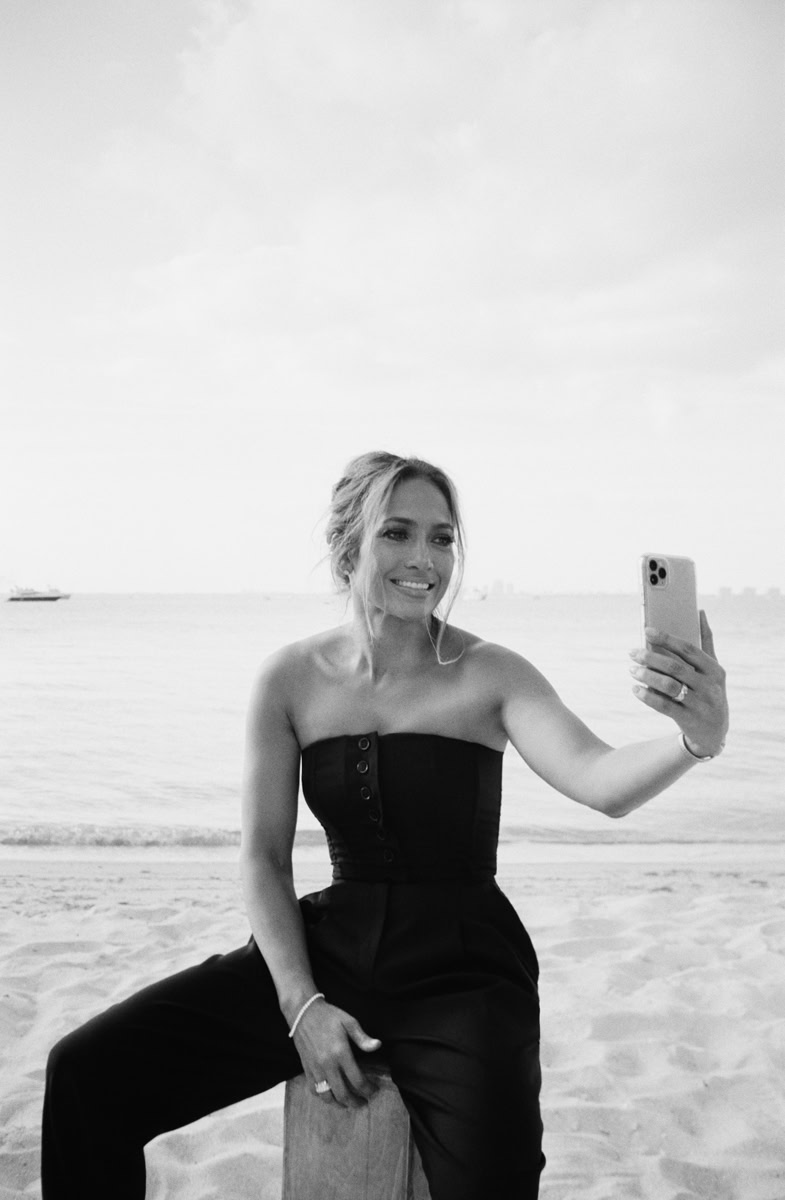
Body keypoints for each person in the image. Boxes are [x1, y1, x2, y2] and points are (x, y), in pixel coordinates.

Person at [41, 451, 729, 1199]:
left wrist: (695, 740)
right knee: (87, 1073)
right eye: (397, 533)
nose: (423, 559)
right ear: (347, 546)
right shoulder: (289, 678)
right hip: (326, 949)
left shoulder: (492, 673)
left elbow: (601, 782)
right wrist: (301, 1005)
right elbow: (264, 861)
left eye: (441, 538)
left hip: (463, 974)